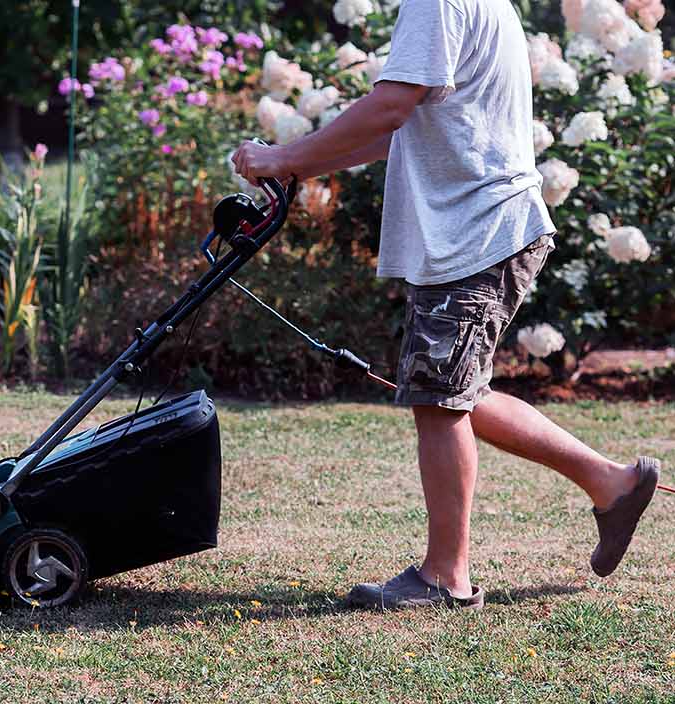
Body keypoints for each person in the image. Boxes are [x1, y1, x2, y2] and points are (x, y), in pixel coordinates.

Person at [232, 0, 661, 610]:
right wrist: (297, 164)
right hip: (484, 228)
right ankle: (611, 482)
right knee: (456, 390)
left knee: (439, 399)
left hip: (476, 231)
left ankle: (445, 577)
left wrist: (281, 157)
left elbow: (389, 105)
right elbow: (396, 129)